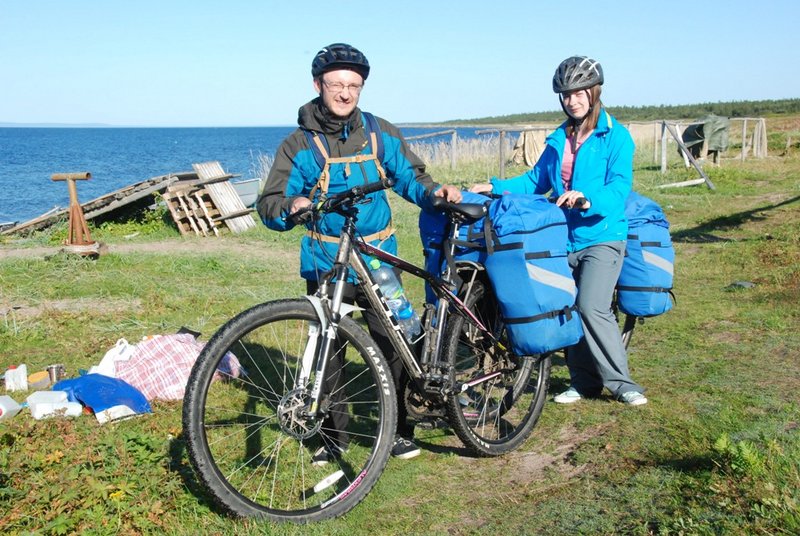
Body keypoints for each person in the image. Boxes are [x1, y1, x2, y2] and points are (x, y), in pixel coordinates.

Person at [256, 43, 463, 463]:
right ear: (318, 85)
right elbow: (270, 202)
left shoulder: (378, 131)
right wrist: (291, 207)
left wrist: (433, 193)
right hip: (326, 261)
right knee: (328, 352)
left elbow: (410, 176)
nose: (346, 93)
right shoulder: (299, 145)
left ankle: (399, 428)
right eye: (337, 84)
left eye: (354, 85)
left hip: (379, 258)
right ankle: (335, 439)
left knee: (394, 341)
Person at [470, 55, 647, 406]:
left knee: (591, 305)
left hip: (603, 236)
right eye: (566, 94)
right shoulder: (558, 139)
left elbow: (618, 189)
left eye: (579, 92)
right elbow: (534, 181)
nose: (572, 100)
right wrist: (493, 186)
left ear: (594, 92)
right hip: (562, 237)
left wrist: (587, 199)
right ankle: (583, 383)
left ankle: (621, 382)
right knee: (566, 306)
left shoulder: (616, 137)